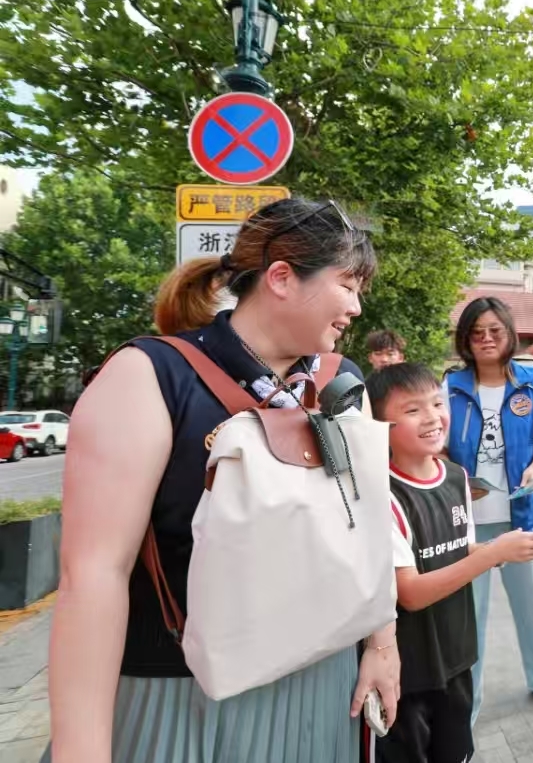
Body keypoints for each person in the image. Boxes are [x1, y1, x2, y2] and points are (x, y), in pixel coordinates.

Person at [45, 198, 400, 763]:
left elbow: (369, 526)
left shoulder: (341, 379)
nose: (357, 307)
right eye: (348, 285)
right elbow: (92, 575)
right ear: (281, 277)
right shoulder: (149, 376)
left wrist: (383, 644)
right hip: (181, 695)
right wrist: (81, 746)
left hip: (327, 676)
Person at [367, 363, 533, 763]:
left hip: (458, 658)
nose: (432, 417)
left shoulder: (455, 477)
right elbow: (410, 593)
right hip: (407, 674)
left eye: (437, 403)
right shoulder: (382, 494)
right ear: (380, 425)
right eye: (412, 410)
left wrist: (502, 548)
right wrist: (494, 555)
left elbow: (462, 551)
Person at [445, 297, 533, 721]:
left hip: (521, 516)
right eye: (476, 332)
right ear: (466, 339)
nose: (485, 339)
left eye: (494, 331)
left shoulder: (532, 384)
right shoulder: (451, 387)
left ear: (509, 334)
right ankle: (468, 699)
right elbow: (438, 446)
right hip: (466, 522)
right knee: (469, 615)